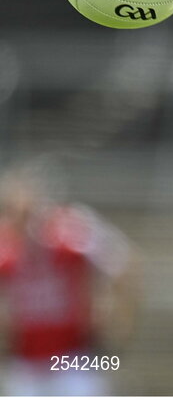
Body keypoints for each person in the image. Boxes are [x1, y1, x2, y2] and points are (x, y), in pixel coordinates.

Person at [0, 164, 140, 396]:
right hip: (26, 360)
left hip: (72, 358)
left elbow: (124, 265)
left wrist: (116, 318)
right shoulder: (5, 246)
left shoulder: (71, 233)